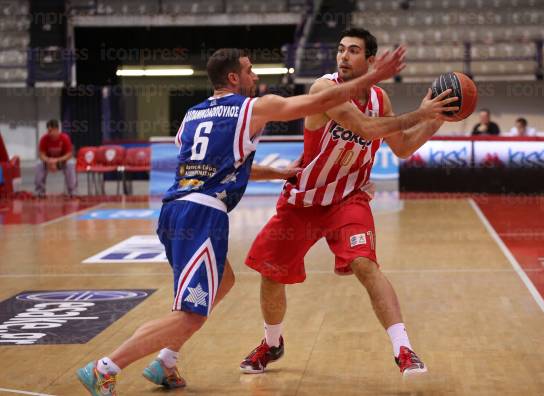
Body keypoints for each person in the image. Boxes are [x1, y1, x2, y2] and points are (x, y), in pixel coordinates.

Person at [76, 46, 453, 395]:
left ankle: (166, 363)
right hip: (203, 213)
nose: (255, 75)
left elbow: (219, 165)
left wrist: (278, 174)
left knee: (223, 283)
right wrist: (373, 76)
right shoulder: (251, 107)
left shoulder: (193, 115)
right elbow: (321, 100)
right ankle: (105, 368)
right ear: (234, 79)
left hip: (175, 210)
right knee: (189, 315)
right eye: (249, 70)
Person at [239, 27, 459, 378]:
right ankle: (272, 342)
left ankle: (404, 349)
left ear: (370, 60)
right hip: (304, 201)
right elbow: (367, 130)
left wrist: (436, 118)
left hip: (348, 199)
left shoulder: (380, 100)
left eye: (353, 51)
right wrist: (420, 112)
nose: (343, 56)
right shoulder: (324, 89)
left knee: (365, 265)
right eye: (341, 49)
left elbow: (401, 148)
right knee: (270, 273)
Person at [34, 119, 76, 197]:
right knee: (39, 164)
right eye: (48, 131)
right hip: (49, 161)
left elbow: (69, 154)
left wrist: (57, 160)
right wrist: (48, 160)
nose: (49, 133)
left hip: (61, 161)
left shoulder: (65, 138)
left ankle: (72, 191)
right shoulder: (44, 139)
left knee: (71, 163)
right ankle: (40, 191)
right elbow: (41, 154)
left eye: (51, 131)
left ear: (57, 129)